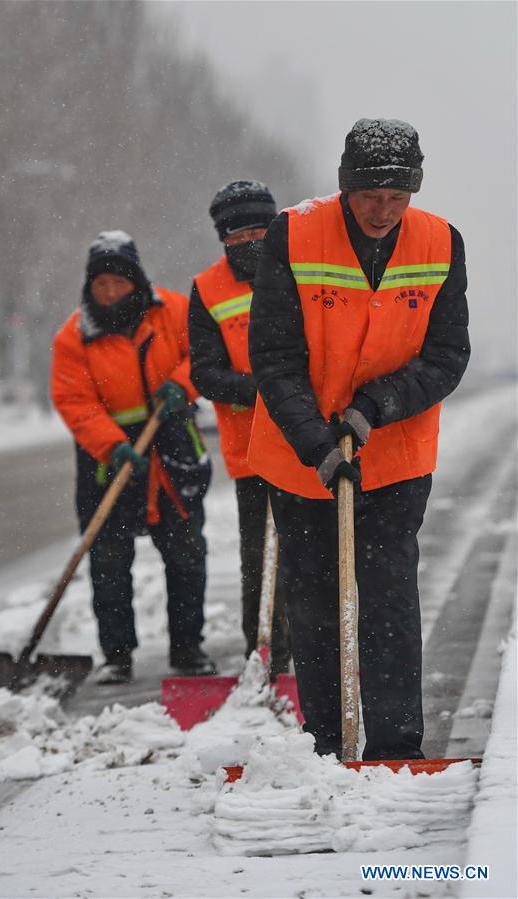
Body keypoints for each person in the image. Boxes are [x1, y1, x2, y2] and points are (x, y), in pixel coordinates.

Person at [247, 119, 470, 760]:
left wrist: (375, 407)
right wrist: (318, 444)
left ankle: (397, 744)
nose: (383, 211)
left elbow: (448, 354)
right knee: (316, 601)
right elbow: (274, 355)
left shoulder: (440, 243)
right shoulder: (293, 235)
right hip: (300, 458)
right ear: (345, 187)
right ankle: (327, 743)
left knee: (389, 599)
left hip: (395, 456)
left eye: (397, 198)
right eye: (371, 195)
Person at [51, 231, 216, 684]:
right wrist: (112, 445)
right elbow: (75, 400)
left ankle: (188, 648)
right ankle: (117, 655)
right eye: (100, 284)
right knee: (107, 558)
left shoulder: (174, 311)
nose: (109, 292)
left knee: (185, 553)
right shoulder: (75, 336)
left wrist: (182, 385)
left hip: (172, 446)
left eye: (118, 283)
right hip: (109, 457)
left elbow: (204, 351)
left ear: (136, 281)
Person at [189, 180, 290, 678]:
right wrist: (262, 387)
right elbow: (205, 373)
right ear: (223, 238)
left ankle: (311, 653)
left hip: (305, 443)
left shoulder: (298, 270)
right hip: (251, 449)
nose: (251, 240)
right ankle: (263, 655)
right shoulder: (207, 289)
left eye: (260, 228)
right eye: (239, 233)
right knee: (259, 557)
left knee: (308, 553)